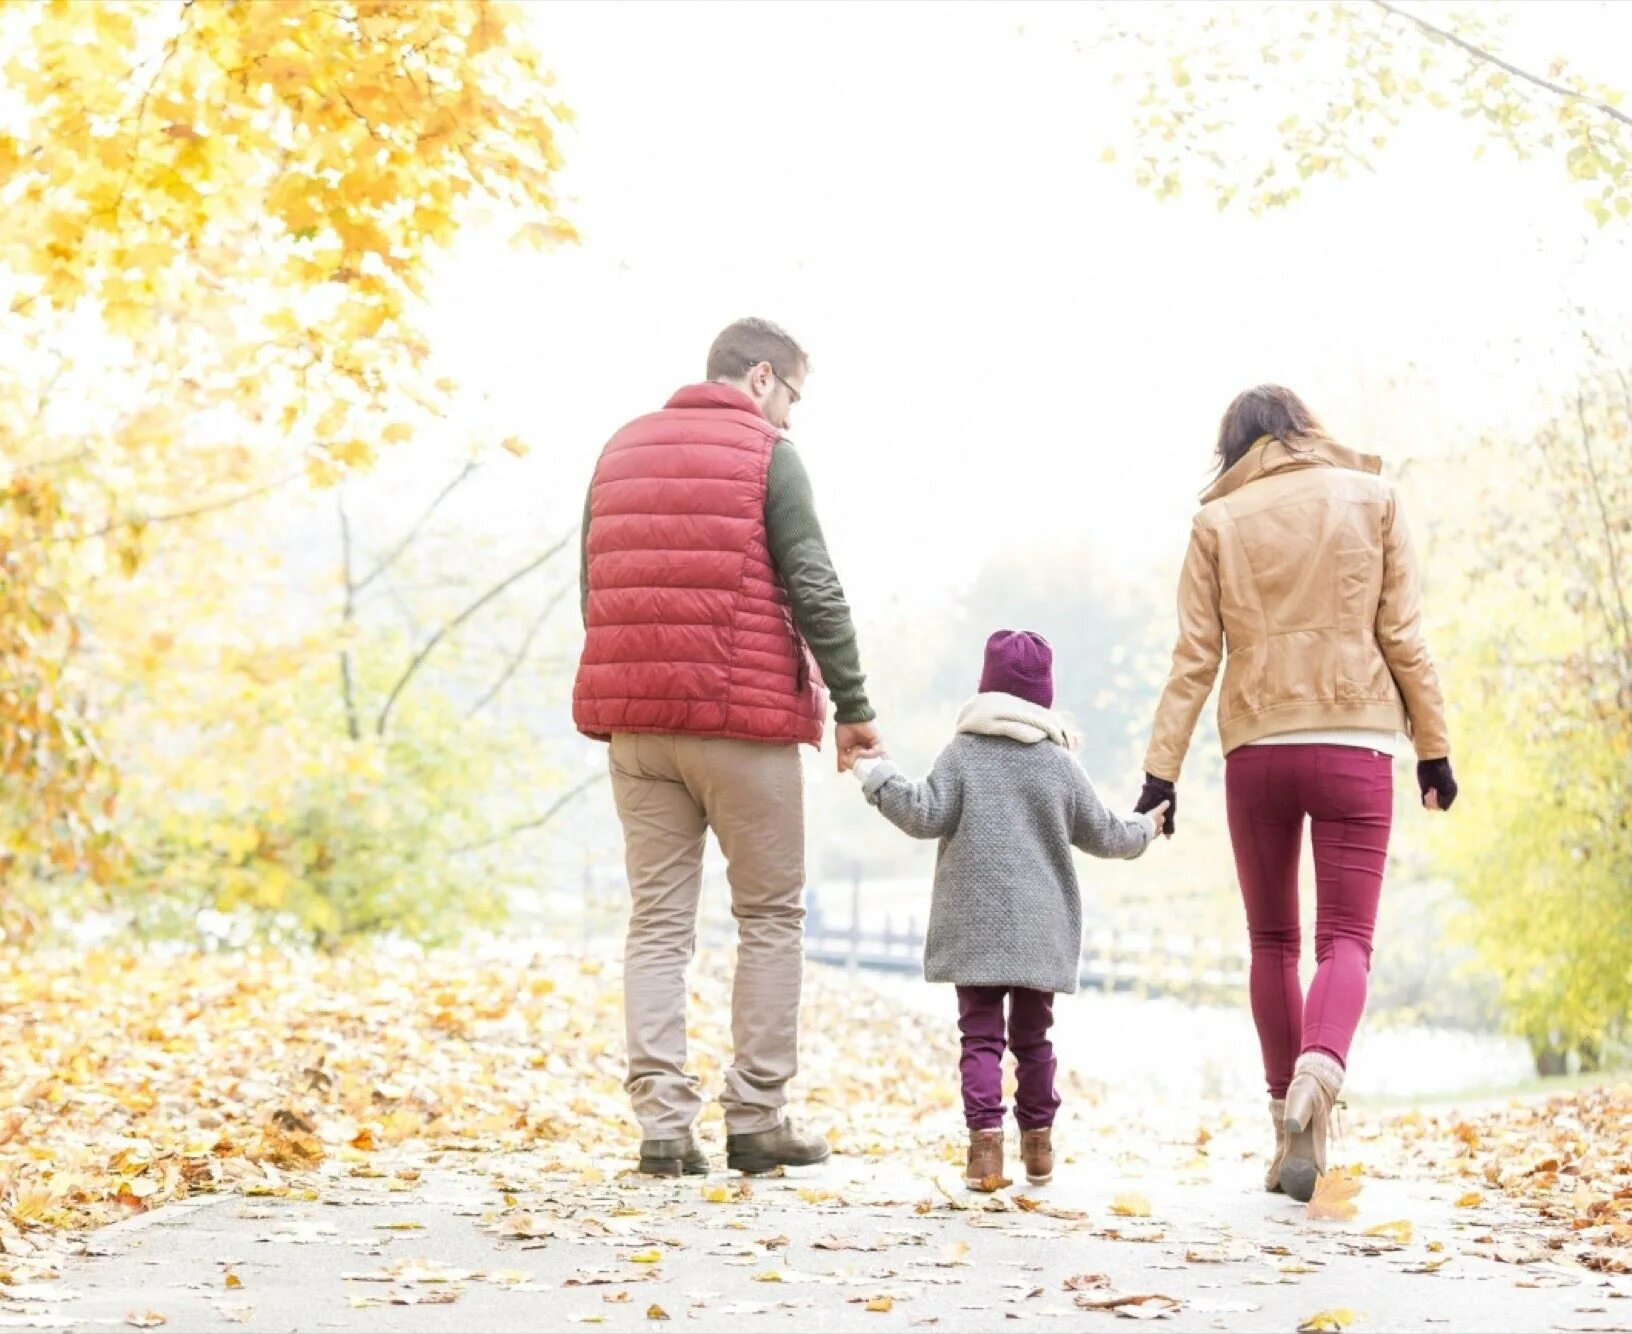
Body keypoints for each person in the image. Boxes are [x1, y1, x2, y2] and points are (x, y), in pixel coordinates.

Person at [573, 317, 881, 1176]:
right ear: (760, 379)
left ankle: (663, 1128)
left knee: (659, 923)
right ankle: (755, 1118)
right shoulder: (766, 454)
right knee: (771, 916)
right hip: (739, 725)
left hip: (636, 726)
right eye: (792, 396)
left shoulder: (621, 448)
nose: (791, 418)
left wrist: (635, 684)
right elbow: (813, 580)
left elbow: (595, 587)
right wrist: (852, 704)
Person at [1134, 385, 1457, 1203]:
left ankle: (1285, 1129)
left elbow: (1194, 659)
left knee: (1272, 944)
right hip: (1355, 741)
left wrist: (1159, 774)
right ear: (1306, 429)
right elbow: (1405, 637)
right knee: (1345, 938)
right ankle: (1323, 1072)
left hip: (1257, 750)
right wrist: (1433, 748)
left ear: (1234, 447)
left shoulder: (1217, 522)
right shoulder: (1375, 499)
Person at [851, 630, 1161, 1188]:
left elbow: (922, 813)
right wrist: (1148, 826)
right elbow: (1109, 834)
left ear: (985, 688)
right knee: (1034, 1039)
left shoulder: (963, 753)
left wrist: (875, 773)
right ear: (1045, 697)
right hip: (1040, 929)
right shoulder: (1059, 765)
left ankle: (984, 1152)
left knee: (981, 1039)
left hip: (974, 928)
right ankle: (1039, 1149)